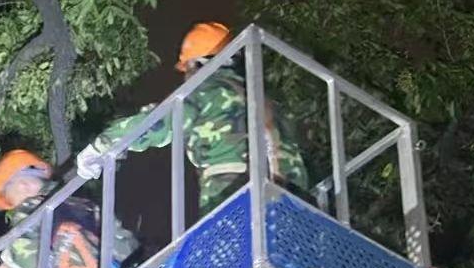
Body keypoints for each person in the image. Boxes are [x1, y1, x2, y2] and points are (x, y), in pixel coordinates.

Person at [77, 22, 308, 213]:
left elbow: (156, 124)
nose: (186, 76)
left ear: (199, 63)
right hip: (296, 202)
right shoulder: (267, 99)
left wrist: (101, 146)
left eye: (187, 67)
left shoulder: (207, 92)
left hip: (234, 195)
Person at [0, 149, 139, 268]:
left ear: (22, 185)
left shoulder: (32, 207)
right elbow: (127, 246)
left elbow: (25, 256)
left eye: (10, 199)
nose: (14, 205)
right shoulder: (88, 205)